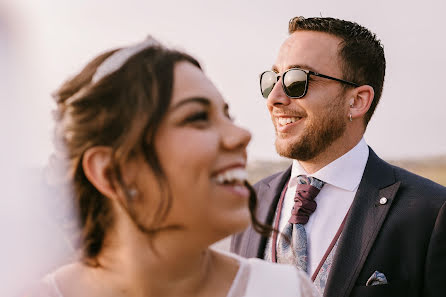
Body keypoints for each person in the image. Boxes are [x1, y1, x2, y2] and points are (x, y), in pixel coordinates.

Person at [27, 37, 320, 297]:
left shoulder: (285, 290)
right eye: (196, 118)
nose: (242, 135)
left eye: (226, 116)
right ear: (110, 172)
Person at [231, 16, 446, 297]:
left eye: (297, 81)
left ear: (357, 101)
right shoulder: (250, 202)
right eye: (272, 80)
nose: (274, 98)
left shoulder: (431, 212)